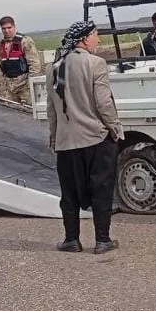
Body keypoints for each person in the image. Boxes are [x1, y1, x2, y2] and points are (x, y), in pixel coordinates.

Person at [46, 20, 123, 254]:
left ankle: (71, 240)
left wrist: (55, 137)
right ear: (85, 39)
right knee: (101, 189)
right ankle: (102, 241)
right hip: (95, 138)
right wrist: (115, 128)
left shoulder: (53, 68)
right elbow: (103, 103)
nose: (98, 39)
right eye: (96, 35)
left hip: (66, 141)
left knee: (69, 193)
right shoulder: (95, 63)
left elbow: (52, 109)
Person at [0, 16, 42, 106]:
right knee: (11, 111)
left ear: (14, 27)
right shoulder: (1, 44)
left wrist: (30, 84)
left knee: (29, 111)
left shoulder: (25, 41)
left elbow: (34, 64)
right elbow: (0, 66)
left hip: (25, 87)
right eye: (4, 28)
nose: (6, 31)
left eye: (9, 27)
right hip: (10, 88)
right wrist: (2, 84)